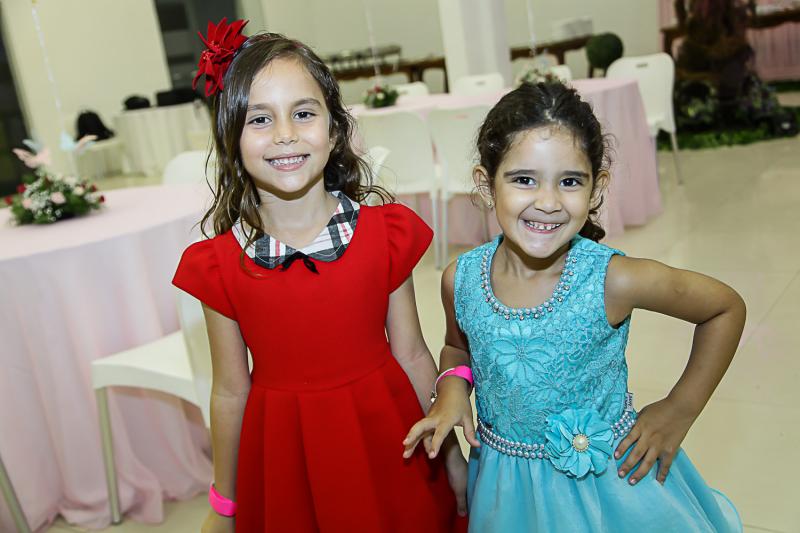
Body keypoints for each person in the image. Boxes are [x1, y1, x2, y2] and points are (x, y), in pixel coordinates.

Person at [403, 81, 745, 532]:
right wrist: (452, 388)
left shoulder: (613, 279)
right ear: (486, 185)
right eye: (524, 179)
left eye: (569, 182)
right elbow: (458, 348)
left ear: (596, 188)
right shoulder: (461, 279)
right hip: (508, 493)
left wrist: (680, 408)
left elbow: (724, 308)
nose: (548, 202)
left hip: (611, 488)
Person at [173, 19, 466, 532]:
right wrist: (225, 503)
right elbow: (230, 392)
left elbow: (413, 354)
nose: (285, 134)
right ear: (231, 139)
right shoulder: (217, 266)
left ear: (334, 131)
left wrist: (451, 454)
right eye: (259, 119)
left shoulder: (385, 235)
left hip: (389, 442)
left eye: (303, 113)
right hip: (284, 457)